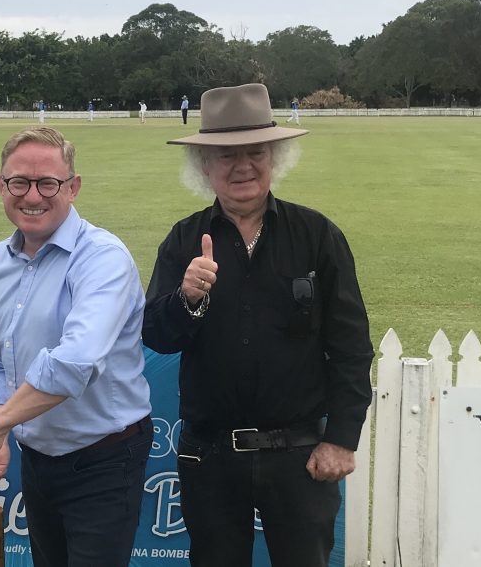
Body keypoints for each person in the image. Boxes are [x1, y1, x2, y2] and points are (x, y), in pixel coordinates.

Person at [141, 83, 373, 567]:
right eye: (226, 155)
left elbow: (350, 346)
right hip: (210, 458)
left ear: (275, 157)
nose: (242, 165)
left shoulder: (317, 236)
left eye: (255, 152)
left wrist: (342, 438)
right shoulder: (185, 239)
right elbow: (156, 336)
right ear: (205, 166)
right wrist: (187, 298)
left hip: (301, 455)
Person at [0, 126, 152, 567]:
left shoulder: (103, 258)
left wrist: (1, 422)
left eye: (48, 183)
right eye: (18, 182)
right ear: (0, 184)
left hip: (105, 459)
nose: (32, 196)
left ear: (73, 187)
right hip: (38, 460)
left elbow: (74, 362)